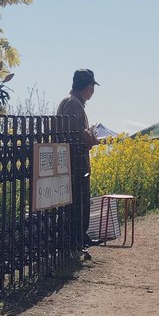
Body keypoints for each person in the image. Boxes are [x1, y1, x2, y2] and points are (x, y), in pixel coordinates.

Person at [57, 69, 100, 256]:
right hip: (74, 165)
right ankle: (75, 243)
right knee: (76, 205)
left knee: (79, 204)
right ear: (88, 88)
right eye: (92, 88)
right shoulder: (72, 104)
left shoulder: (73, 103)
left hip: (75, 164)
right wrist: (91, 138)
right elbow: (76, 136)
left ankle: (79, 240)